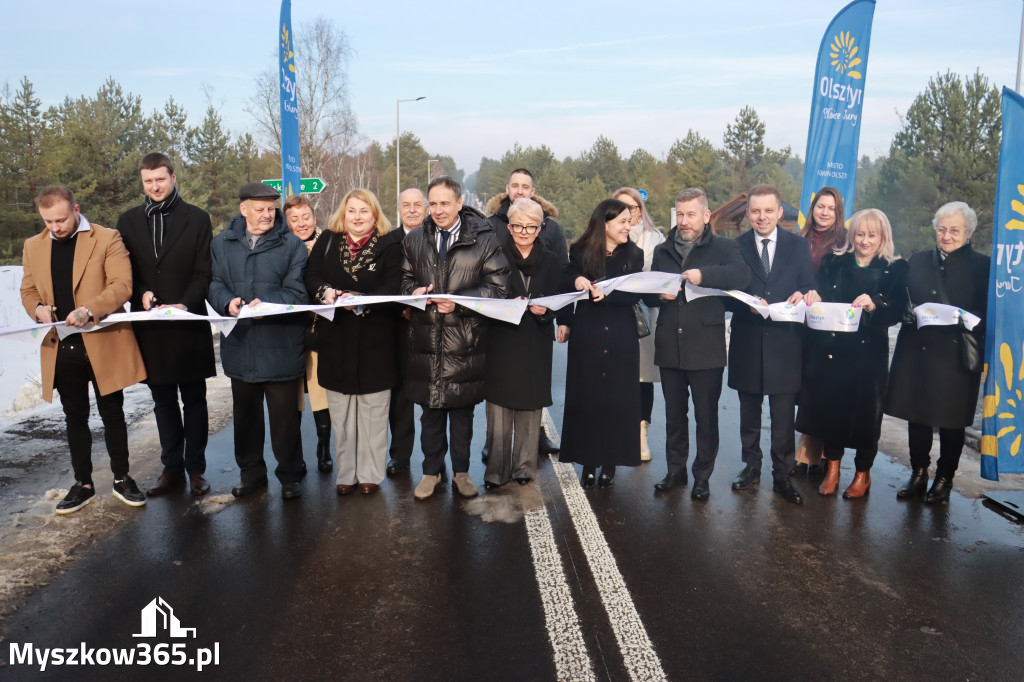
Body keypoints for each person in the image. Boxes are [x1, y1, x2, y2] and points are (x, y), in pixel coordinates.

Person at [21, 185, 147, 513]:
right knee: (74, 415)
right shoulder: (33, 246)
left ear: (76, 209)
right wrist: (37, 309)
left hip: (103, 340)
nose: (55, 227)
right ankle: (83, 484)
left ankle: (122, 478)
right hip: (62, 345)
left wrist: (89, 309)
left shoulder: (107, 238)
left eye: (61, 220)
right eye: (48, 222)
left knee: (112, 412)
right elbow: (28, 290)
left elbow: (122, 285)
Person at [401, 176, 509, 500]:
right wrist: (413, 293)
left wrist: (460, 303)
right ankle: (430, 472)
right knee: (430, 413)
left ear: (459, 203)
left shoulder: (484, 240)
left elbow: (499, 288)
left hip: (465, 342)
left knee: (462, 414)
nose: (438, 210)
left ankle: (462, 472)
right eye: (433, 203)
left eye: (445, 203)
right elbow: (404, 281)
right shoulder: (414, 240)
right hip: (426, 342)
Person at [116, 152, 216, 497]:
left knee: (195, 400)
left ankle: (196, 470)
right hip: (151, 326)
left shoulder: (197, 218)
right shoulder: (127, 221)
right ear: (142, 182)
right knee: (162, 401)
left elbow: (204, 271)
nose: (155, 186)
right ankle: (171, 468)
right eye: (148, 181)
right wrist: (140, 293)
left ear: (173, 177)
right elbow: (125, 272)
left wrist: (185, 304)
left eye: (160, 179)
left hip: (187, 323)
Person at [795, 209, 908, 498]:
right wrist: (814, 296)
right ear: (851, 235)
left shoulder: (895, 268)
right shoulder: (834, 261)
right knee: (833, 412)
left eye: (872, 235)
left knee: (867, 418)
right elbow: (820, 297)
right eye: (860, 234)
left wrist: (874, 306)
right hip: (833, 351)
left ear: (883, 237)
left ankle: (862, 474)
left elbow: (897, 311)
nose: (865, 241)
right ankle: (832, 469)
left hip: (869, 356)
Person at [647, 188, 751, 499]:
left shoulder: (724, 247)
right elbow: (649, 293)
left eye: (691, 214)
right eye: (680, 214)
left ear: (706, 216)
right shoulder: (663, 250)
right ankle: (675, 471)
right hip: (669, 345)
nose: (684, 221)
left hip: (706, 348)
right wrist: (657, 295)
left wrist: (703, 275)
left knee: (706, 418)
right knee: (674, 416)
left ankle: (702, 477)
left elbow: (741, 276)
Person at [208, 182, 309, 500]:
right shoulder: (221, 244)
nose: (267, 215)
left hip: (281, 346)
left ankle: (290, 475)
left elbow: (298, 292)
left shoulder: (292, 245)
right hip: (241, 345)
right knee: (246, 419)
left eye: (271, 209)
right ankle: (251, 474)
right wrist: (227, 302)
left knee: (285, 421)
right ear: (243, 209)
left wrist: (265, 304)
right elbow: (214, 283)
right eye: (260, 209)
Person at [884, 201, 990, 504]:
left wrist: (967, 319)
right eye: (942, 229)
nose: (947, 235)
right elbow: (900, 298)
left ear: (968, 232)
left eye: (954, 230)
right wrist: (905, 312)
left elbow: (990, 314)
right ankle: (919, 473)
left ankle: (945, 478)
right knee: (916, 416)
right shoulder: (917, 260)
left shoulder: (983, 266)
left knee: (951, 421)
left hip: (954, 356)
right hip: (916, 350)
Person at [305, 189, 403, 496]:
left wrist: (362, 299)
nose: (357, 217)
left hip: (376, 340)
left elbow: (394, 286)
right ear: (343, 214)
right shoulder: (328, 240)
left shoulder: (390, 245)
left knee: (373, 412)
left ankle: (370, 473)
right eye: (352, 211)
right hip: (336, 339)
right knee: (342, 414)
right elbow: (310, 276)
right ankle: (346, 473)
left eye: (364, 211)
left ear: (375, 214)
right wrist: (327, 293)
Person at [727, 184, 817, 505]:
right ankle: (751, 466)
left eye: (768, 210)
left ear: (780, 212)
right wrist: (746, 304)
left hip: (786, 344)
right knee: (749, 413)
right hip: (748, 342)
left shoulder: (798, 246)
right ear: (748, 213)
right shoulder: (735, 247)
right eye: (756, 211)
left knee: (783, 418)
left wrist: (805, 294)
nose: (762, 217)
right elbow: (726, 295)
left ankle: (783, 475)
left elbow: (808, 285)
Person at [559, 198, 644, 488]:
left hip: (621, 334)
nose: (628, 226)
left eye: (629, 221)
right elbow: (565, 279)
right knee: (588, 399)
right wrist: (577, 280)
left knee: (617, 400)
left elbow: (636, 292)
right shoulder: (580, 250)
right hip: (588, 333)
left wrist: (609, 293)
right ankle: (588, 461)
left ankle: (610, 463)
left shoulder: (634, 254)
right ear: (604, 224)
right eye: (622, 221)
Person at [483, 198, 563, 490]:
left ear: (540, 228)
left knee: (530, 406)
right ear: (509, 226)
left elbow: (560, 297)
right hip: (502, 338)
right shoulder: (494, 256)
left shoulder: (552, 261)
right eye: (517, 226)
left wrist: (547, 311)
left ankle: (524, 468)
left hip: (535, 340)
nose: (524, 232)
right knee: (499, 408)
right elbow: (485, 295)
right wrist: (507, 304)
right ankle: (496, 471)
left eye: (530, 227)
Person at [794, 187, 847, 475]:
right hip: (800, 326)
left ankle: (821, 455)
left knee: (824, 392)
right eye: (820, 206)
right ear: (812, 208)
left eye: (831, 208)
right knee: (804, 391)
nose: (825, 212)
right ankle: (807, 452)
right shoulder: (798, 240)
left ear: (839, 213)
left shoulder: (845, 243)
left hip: (829, 329)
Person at [614, 186, 666, 461]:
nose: (627, 213)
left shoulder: (654, 238)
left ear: (640, 210)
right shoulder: (604, 236)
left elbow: (657, 277)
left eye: (632, 208)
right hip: (613, 315)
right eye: (620, 207)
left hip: (644, 314)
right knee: (614, 376)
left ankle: (641, 433)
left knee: (643, 377)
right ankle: (615, 433)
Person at [284, 193, 333, 474]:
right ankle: (295, 455)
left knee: (319, 394)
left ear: (314, 218)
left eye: (306, 217)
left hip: (318, 330)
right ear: (286, 222)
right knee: (292, 399)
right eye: (294, 219)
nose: (301, 224)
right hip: (288, 332)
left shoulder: (328, 244)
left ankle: (324, 449)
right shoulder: (281, 246)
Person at [385, 188, 426, 477]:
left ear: (426, 209)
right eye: (406, 205)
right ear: (399, 209)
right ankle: (400, 455)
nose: (412, 210)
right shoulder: (387, 241)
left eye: (417, 205)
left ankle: (435, 458)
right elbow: (383, 282)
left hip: (432, 326)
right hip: (396, 328)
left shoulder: (437, 239)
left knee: (431, 396)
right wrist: (401, 305)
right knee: (399, 395)